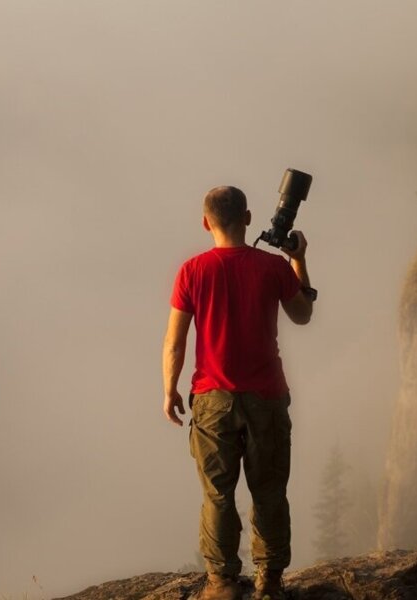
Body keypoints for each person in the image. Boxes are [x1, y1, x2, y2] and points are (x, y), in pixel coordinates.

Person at [162, 185, 315, 600]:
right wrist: (298, 260)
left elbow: (175, 342)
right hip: (266, 395)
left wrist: (169, 390)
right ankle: (269, 582)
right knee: (269, 491)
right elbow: (302, 315)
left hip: (212, 398)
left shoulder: (192, 271)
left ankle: (222, 583)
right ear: (247, 219)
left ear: (205, 222)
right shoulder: (271, 267)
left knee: (218, 493)